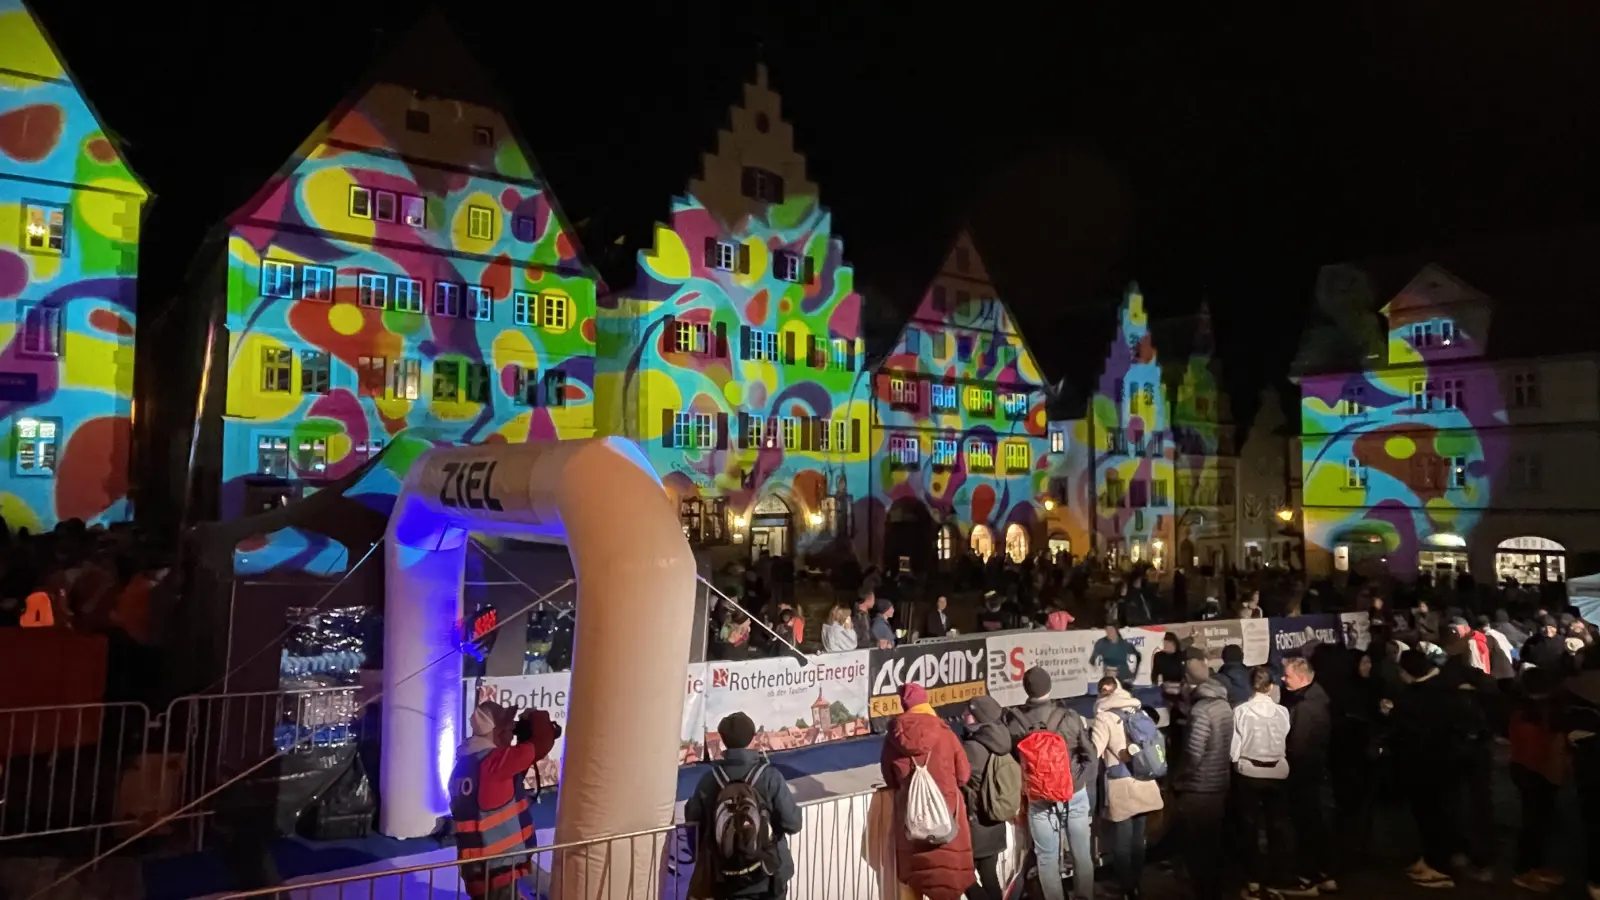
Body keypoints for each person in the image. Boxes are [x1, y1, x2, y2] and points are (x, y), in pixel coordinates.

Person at [1385, 649, 1485, 889]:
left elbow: (1410, 732)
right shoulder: (1447, 689)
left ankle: (1438, 865)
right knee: (1441, 813)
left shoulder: (1419, 698)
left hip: (1427, 766)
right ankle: (1436, 857)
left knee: (1433, 816)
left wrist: (1393, 714)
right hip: (1448, 764)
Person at [449, 698, 560, 900]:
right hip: (497, 868)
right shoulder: (494, 764)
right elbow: (543, 742)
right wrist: (536, 716)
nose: (512, 734)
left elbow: (507, 785)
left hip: (481, 867)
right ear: (497, 733)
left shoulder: (466, 765)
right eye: (509, 729)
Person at [686, 711, 804, 900]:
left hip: (724, 878)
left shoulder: (709, 781)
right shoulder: (769, 777)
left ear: (723, 741)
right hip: (768, 876)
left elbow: (693, 826)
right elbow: (793, 824)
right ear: (752, 737)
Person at [1004, 667, 1096, 900]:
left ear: (1026, 689)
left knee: (1046, 858)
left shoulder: (1015, 723)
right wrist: (1076, 782)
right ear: (1049, 686)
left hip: (1039, 798)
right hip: (1073, 794)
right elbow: (1090, 756)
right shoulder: (1069, 717)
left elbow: (1015, 762)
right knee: (1081, 854)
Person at [881, 683, 975, 900]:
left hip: (912, 820)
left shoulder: (893, 737)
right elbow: (963, 776)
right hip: (948, 820)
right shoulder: (945, 733)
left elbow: (890, 778)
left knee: (914, 882)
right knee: (947, 881)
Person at [1231, 666, 1304, 899]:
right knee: (1278, 827)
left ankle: (1254, 880)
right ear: (1271, 686)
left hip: (1249, 773)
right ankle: (1280, 876)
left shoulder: (1241, 711)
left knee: (1249, 829)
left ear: (1250, 686)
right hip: (1278, 773)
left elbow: (1234, 750)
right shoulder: (1282, 712)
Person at [1089, 676, 1163, 899]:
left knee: (1121, 842)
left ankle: (1127, 888)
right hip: (1145, 781)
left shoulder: (1104, 717)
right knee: (1138, 838)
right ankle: (1137, 882)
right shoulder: (1138, 711)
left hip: (1121, 786)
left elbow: (1095, 751)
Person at [1171, 675, 1233, 900]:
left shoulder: (1200, 712)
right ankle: (1216, 887)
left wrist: (1179, 779)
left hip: (1199, 787)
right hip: (1220, 783)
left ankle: (1203, 891)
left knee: (1197, 844)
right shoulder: (1225, 707)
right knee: (1213, 841)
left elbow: (1193, 754)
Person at [1508, 668, 1565, 893]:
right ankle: (1524, 870)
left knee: (1538, 822)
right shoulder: (1537, 713)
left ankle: (1535, 866)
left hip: (1527, 770)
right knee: (1535, 823)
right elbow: (1539, 751)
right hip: (1535, 772)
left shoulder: (1523, 709)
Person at [1282, 656, 1336, 893]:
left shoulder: (1304, 707)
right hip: (1316, 773)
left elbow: (1298, 746)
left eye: (1288, 676)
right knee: (1316, 823)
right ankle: (1323, 873)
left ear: (1302, 678)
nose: (1283, 679)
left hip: (1304, 776)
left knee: (1307, 824)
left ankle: (1308, 877)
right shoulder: (1318, 697)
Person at [959, 696, 1013, 900]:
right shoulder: (1001, 739)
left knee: (963, 877)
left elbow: (958, 777)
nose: (964, 715)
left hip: (975, 822)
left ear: (978, 717)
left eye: (969, 712)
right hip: (994, 820)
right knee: (989, 875)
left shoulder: (972, 748)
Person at [1560, 660, 1600, 900]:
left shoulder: (1574, 690)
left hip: (1588, 771)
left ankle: (1595, 877)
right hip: (1591, 766)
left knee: (1593, 823)